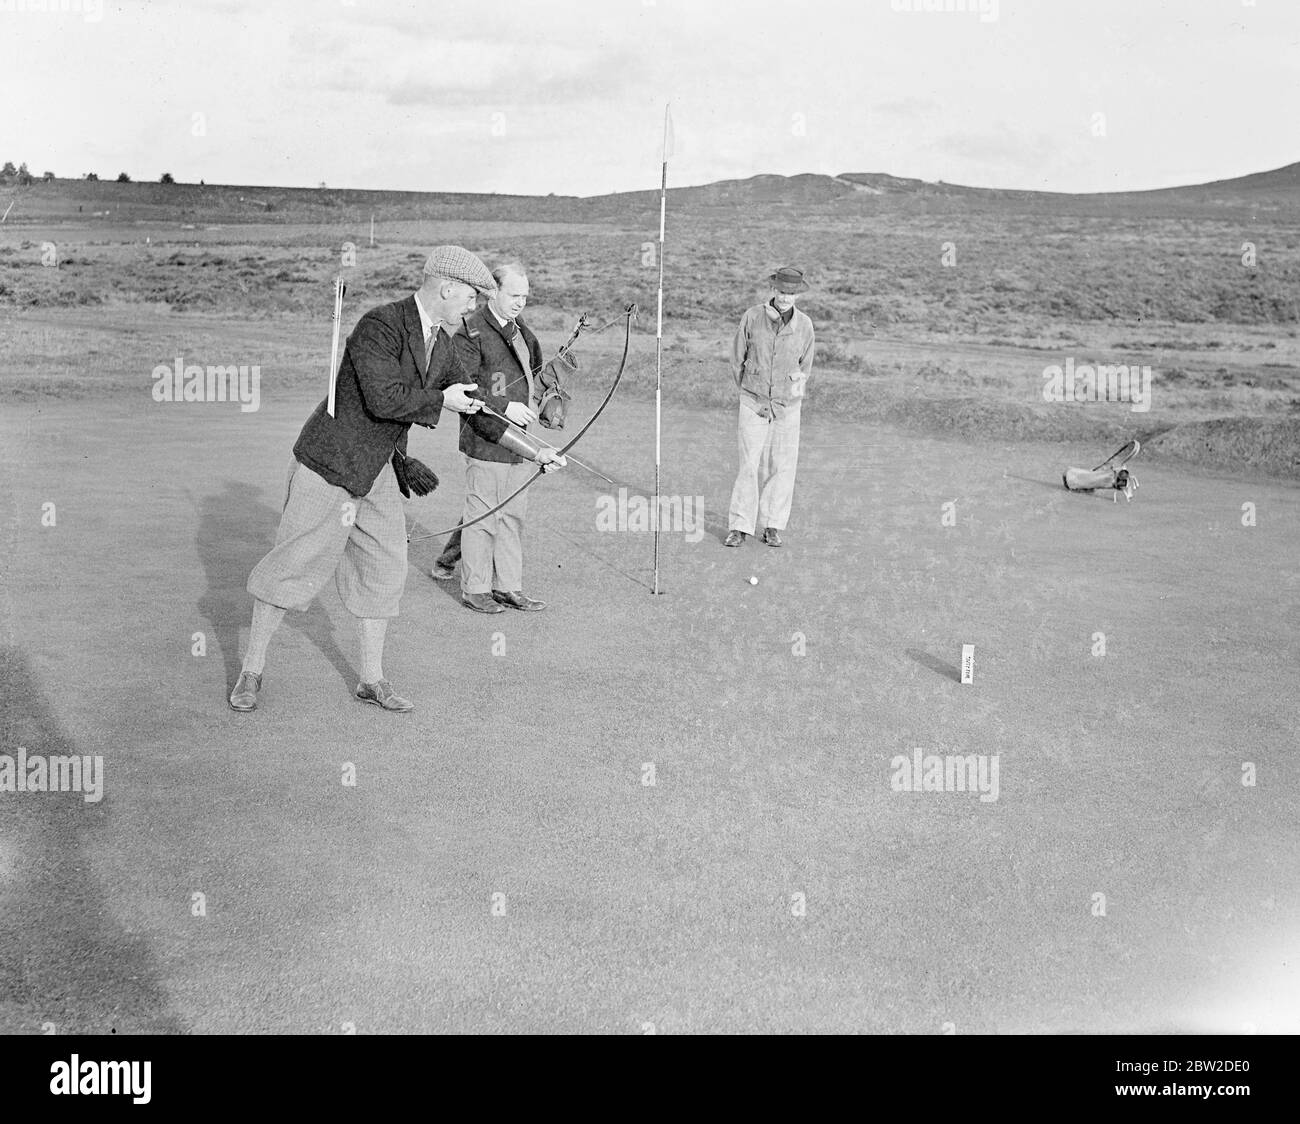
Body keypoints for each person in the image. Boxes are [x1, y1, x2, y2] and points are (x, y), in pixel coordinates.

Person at [228, 246, 562, 714]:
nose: (473, 307)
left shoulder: (443, 343)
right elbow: (385, 399)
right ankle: (252, 670)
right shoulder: (380, 325)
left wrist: (536, 450)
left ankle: (372, 680)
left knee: (385, 568)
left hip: (380, 469)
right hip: (330, 462)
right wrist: (443, 400)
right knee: (293, 565)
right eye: (470, 297)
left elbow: (478, 408)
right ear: (447, 288)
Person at [438, 262, 554, 613]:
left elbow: (534, 379)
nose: (520, 302)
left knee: (512, 517)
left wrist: (547, 400)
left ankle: (508, 588)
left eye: (525, 296)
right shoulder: (469, 331)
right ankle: (475, 590)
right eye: (514, 295)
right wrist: (504, 406)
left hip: (519, 443)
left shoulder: (524, 333)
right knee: (483, 516)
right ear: (494, 292)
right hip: (485, 440)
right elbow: (463, 388)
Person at [725, 266, 815, 548]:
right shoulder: (752, 317)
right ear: (773, 290)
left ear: (797, 295)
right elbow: (737, 359)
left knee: (783, 467)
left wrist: (789, 401)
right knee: (749, 465)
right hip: (753, 403)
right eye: (782, 291)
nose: (786, 297)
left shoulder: (805, 325)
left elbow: (805, 367)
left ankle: (772, 525)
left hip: (787, 408)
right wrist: (753, 391)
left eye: (792, 293)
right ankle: (740, 526)